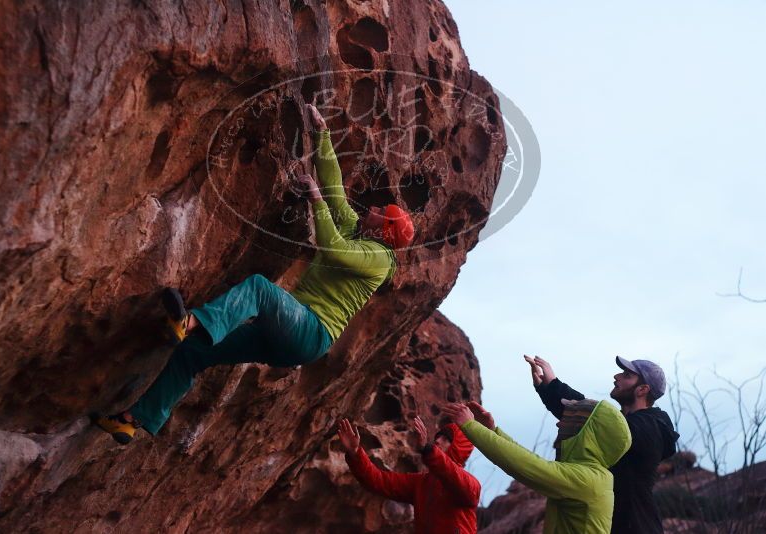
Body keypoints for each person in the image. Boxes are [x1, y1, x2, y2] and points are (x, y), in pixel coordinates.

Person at [94, 104, 415, 444]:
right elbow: (335, 188)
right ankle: (132, 420)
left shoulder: (379, 258)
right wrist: (322, 133)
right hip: (288, 335)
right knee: (194, 352)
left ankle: (187, 322)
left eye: (384, 213)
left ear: (385, 232)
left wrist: (315, 200)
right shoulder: (358, 230)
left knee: (260, 289)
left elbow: (333, 247)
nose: (376, 209)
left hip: (311, 332)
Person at [524, 355, 680, 534]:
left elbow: (594, 421)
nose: (617, 376)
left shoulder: (652, 427)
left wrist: (553, 385)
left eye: (627, 375)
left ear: (642, 389)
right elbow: (590, 419)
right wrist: (546, 387)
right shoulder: (630, 424)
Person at [443, 399, 631, 534]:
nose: (559, 423)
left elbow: (524, 464)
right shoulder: (592, 475)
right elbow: (531, 460)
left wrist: (470, 426)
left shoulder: (587, 481)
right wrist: (492, 431)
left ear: (588, 434)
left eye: (571, 420)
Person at [337, 416, 480, 534]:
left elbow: (452, 474)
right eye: (438, 437)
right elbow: (378, 480)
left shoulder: (470, 486)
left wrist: (428, 450)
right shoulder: (421, 483)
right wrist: (355, 453)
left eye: (447, 439)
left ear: (459, 448)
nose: (437, 441)